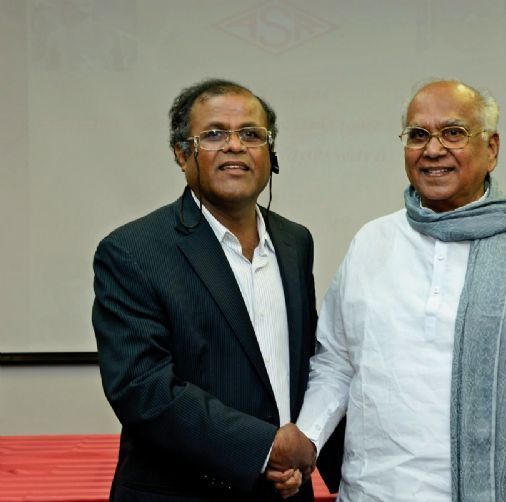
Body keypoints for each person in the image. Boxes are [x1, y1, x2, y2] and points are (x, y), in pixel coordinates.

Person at [294, 80, 506, 501]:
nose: (433, 150)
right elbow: (336, 364)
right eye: (418, 135)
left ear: (492, 149)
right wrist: (305, 440)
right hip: (380, 490)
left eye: (453, 133)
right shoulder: (372, 243)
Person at [92, 78, 333, 501]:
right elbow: (142, 389)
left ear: (270, 153)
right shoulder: (133, 250)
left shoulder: (295, 242)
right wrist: (265, 448)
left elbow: (304, 365)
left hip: (286, 491)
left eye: (251, 134)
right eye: (215, 134)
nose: (235, 146)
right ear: (181, 153)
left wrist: (304, 446)